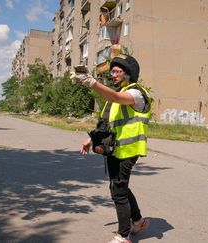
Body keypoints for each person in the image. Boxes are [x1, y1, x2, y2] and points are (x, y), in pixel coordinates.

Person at [70, 54, 152, 243]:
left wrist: (91, 82)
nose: (113, 74)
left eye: (117, 71)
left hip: (129, 150)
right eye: (112, 71)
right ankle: (138, 221)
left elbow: (114, 96)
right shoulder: (114, 97)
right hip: (115, 149)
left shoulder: (136, 93)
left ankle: (124, 235)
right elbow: (106, 123)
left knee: (118, 191)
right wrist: (90, 138)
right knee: (120, 187)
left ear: (129, 74)